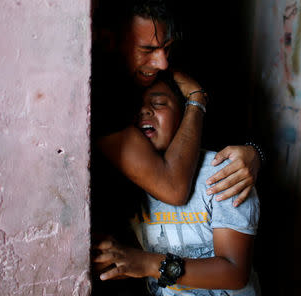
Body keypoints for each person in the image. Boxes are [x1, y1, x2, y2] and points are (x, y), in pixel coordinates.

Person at [93, 72, 261, 296]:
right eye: (137, 106)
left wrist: (146, 264)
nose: (145, 110)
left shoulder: (223, 172)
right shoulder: (127, 184)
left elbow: (235, 272)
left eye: (159, 103)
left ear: (183, 116)